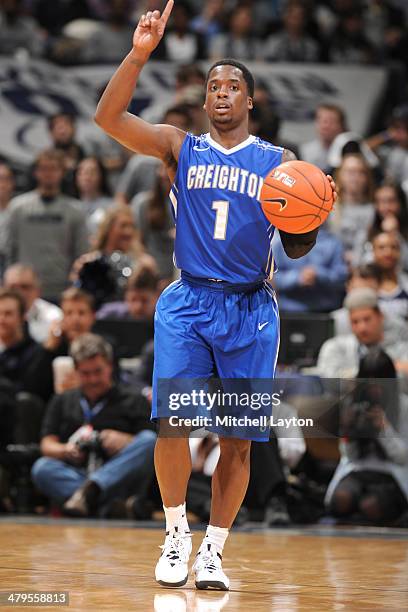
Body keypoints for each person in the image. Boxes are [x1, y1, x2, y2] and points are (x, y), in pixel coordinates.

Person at [94, 0, 336, 591]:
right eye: (213, 86)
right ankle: (176, 533)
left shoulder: (281, 164)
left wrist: (311, 218)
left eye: (233, 87)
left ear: (250, 101)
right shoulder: (181, 146)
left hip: (251, 309)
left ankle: (214, 551)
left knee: (238, 439)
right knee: (173, 423)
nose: (222, 93)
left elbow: (297, 251)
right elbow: (107, 118)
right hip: (188, 302)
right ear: (205, 101)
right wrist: (140, 52)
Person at [31, 333, 156, 517]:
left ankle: (92, 492)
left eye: (98, 371)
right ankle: (109, 505)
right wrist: (66, 450)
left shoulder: (133, 399)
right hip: (78, 472)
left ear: (110, 366)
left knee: (149, 440)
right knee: (42, 468)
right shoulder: (62, 400)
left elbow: (154, 445)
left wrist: (126, 440)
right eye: (85, 373)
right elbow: (47, 444)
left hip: (122, 477)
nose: (92, 379)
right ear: (75, 371)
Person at [325, 348, 408, 525]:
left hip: (390, 473)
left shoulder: (403, 406)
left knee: (371, 506)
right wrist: (347, 432)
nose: (373, 386)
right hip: (358, 470)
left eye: (379, 380)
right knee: (341, 500)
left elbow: (402, 458)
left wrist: (383, 429)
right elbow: (350, 456)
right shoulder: (352, 403)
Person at [5, 149, 88, 302]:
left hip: (61, 289)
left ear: (62, 172)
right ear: (36, 172)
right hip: (23, 289)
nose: (48, 174)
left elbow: (81, 253)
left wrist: (75, 286)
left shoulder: (75, 210)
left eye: (53, 168)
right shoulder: (18, 208)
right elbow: (9, 250)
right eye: (44, 168)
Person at [317, 287, 408, 380]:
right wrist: (383, 369)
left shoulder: (402, 349)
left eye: (367, 319)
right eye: (355, 322)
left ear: (380, 316)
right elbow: (328, 380)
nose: (362, 328)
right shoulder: (335, 347)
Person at [3, 264, 63, 343]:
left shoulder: (53, 316)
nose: (19, 292)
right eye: (13, 287)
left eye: (25, 287)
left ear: (37, 290)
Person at [300, 104, 347, 173]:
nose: (325, 126)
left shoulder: (348, 154)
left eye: (331, 121)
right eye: (321, 120)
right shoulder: (305, 150)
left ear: (341, 126)